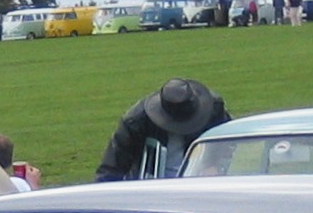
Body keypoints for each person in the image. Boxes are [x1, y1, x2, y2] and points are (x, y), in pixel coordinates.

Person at [94, 78, 230, 181]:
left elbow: (228, 142)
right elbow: (111, 168)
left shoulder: (214, 109)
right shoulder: (136, 121)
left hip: (199, 182)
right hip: (155, 187)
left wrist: (213, 163)